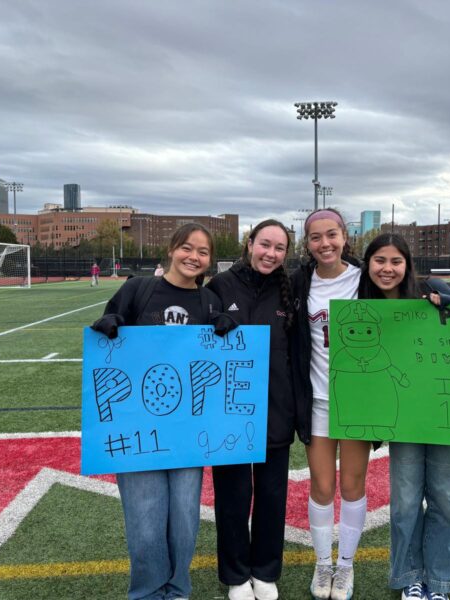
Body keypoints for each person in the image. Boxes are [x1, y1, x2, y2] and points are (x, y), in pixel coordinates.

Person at [90, 223, 235, 600]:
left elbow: (214, 366)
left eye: (203, 252)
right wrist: (110, 324)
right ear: (172, 249)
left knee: (185, 521)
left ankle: (177, 589)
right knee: (144, 521)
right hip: (137, 428)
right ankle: (147, 593)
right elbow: (109, 330)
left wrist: (226, 330)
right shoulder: (138, 288)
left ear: (209, 260)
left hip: (186, 431)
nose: (194, 257)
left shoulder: (208, 302)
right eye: (188, 248)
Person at [358, 233, 450, 600]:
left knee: (449, 500)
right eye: (379, 261)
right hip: (404, 419)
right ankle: (409, 577)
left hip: (445, 412)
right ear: (368, 264)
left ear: (407, 265)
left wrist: (447, 306)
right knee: (405, 502)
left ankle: (441, 581)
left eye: (395, 261)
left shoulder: (428, 290)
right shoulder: (363, 305)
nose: (387, 269)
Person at [206, 219, 295, 600]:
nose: (270, 254)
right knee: (233, 498)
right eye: (265, 244)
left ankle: (265, 570)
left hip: (277, 408)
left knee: (273, 497)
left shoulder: (291, 288)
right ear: (250, 243)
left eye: (279, 248)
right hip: (230, 413)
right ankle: (236, 575)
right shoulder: (220, 286)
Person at [291, 208, 368, 600]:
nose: (325, 243)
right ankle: (323, 565)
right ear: (307, 243)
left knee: (353, 486)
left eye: (332, 234)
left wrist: (446, 289)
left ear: (345, 236)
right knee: (321, 486)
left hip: (355, 401)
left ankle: (346, 566)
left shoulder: (365, 278)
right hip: (317, 400)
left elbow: (410, 289)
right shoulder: (298, 283)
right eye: (316, 237)